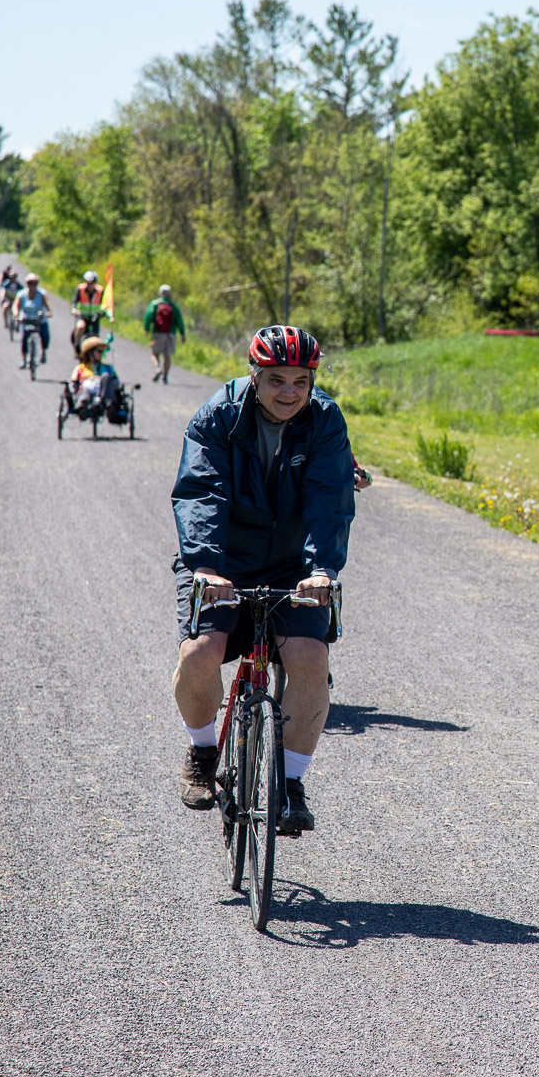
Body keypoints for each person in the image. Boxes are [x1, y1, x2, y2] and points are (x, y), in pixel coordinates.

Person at [170, 324, 356, 836]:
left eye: (301, 380)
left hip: (295, 564)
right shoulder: (219, 415)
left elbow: (330, 497)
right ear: (254, 376)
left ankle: (292, 783)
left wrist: (321, 568)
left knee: (309, 657)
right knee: (201, 653)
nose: (289, 392)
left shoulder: (324, 420)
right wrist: (206, 564)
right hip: (223, 557)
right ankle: (203, 751)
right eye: (276, 379)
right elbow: (200, 489)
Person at [143, 284, 186, 384]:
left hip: (158, 333)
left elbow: (148, 316)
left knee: (154, 353)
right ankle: (165, 377)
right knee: (167, 356)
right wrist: (182, 334)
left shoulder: (155, 304)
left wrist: (147, 329)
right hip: (171, 334)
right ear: (169, 294)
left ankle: (158, 368)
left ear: (160, 293)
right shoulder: (174, 306)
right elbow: (179, 320)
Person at [67, 336, 117, 419]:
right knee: (86, 388)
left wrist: (101, 380)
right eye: (99, 351)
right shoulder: (80, 368)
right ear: (90, 353)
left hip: (103, 392)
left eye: (102, 351)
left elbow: (116, 382)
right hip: (86, 391)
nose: (102, 354)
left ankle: (104, 405)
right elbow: (73, 383)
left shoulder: (108, 368)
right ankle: (83, 407)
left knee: (106, 376)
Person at [70, 270, 110, 358]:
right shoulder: (80, 289)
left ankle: (97, 358)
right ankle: (76, 346)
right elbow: (74, 302)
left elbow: (106, 304)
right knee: (81, 327)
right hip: (82, 316)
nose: (90, 285)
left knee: (96, 338)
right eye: (89, 282)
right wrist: (74, 309)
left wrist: (106, 313)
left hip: (94, 317)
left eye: (92, 283)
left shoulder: (100, 291)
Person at [14, 273, 52, 367]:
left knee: (45, 336)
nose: (32, 285)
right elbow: (16, 306)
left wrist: (48, 312)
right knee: (24, 339)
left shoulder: (42, 294)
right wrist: (17, 315)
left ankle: (43, 352)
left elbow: (47, 305)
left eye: (35, 283)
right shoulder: (21, 294)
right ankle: (24, 360)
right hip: (26, 319)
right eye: (30, 283)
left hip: (40, 320)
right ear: (27, 284)